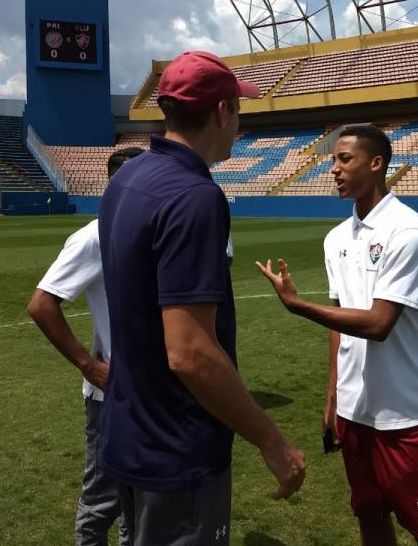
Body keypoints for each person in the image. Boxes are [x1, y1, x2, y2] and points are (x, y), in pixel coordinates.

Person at [97, 51, 305, 546]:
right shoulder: (194, 196)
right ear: (221, 111)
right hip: (177, 448)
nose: (240, 122)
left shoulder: (126, 178)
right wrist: (273, 442)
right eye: (239, 109)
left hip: (127, 436)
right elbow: (189, 352)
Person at [257, 125, 418, 546]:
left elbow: (379, 324)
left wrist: (298, 306)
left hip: (405, 411)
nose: (334, 169)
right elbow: (341, 322)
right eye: (332, 160)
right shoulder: (336, 239)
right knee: (369, 517)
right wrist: (334, 396)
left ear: (376, 163)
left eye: (344, 159)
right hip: (354, 410)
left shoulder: (407, 231)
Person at [27, 146, 144, 546]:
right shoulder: (93, 237)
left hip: (148, 396)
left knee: (138, 502)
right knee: (101, 501)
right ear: (113, 184)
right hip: (108, 397)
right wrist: (87, 364)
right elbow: (41, 304)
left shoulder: (148, 230)